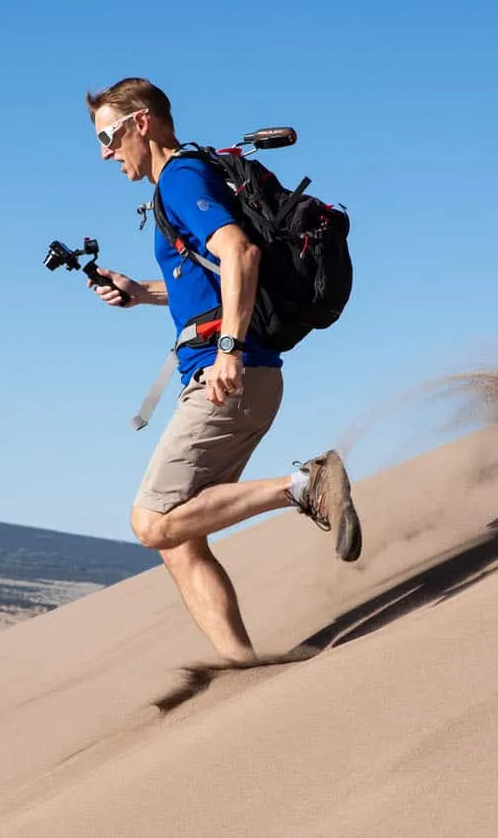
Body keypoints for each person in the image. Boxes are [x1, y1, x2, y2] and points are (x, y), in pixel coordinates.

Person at [84, 77, 363, 663]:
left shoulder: (180, 178)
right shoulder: (184, 180)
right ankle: (242, 666)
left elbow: (240, 252)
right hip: (236, 371)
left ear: (141, 123)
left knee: (152, 522)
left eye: (109, 136)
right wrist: (141, 292)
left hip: (229, 373)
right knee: (179, 541)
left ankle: (306, 484)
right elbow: (213, 276)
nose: (105, 152)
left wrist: (229, 349)